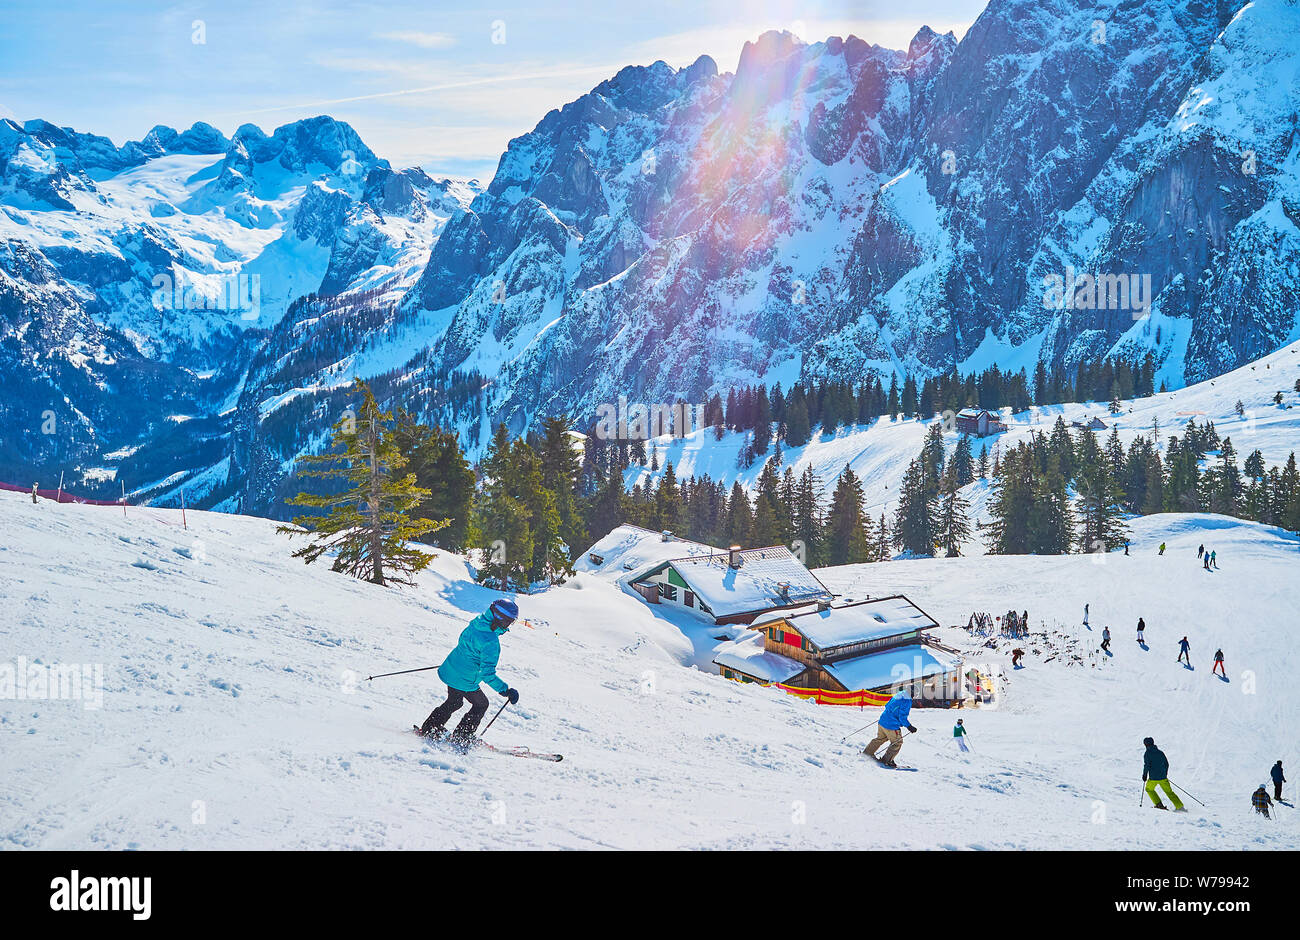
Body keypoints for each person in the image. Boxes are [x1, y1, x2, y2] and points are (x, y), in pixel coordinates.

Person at [418, 599, 520, 749]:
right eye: (508, 621)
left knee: (455, 701)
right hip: (464, 679)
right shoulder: (491, 642)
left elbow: (464, 643)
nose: (508, 626)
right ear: (500, 618)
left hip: (450, 669)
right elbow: (487, 674)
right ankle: (462, 737)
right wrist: (505, 690)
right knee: (481, 704)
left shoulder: (476, 623)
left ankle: (430, 727)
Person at [863, 687, 916, 767]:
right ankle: (887, 761)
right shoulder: (907, 700)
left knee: (880, 738)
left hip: (882, 720)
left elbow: (887, 705)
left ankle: (867, 753)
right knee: (897, 742)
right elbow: (902, 717)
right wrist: (909, 726)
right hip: (891, 725)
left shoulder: (899, 694)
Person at [1142, 737, 1186, 811]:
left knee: (1149, 789)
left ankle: (1159, 805)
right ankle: (1180, 807)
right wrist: (1164, 774)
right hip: (1163, 778)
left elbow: (1146, 765)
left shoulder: (1147, 753)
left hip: (1153, 778)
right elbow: (1166, 764)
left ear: (1146, 744)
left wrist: (1144, 775)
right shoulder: (1160, 752)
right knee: (1169, 792)